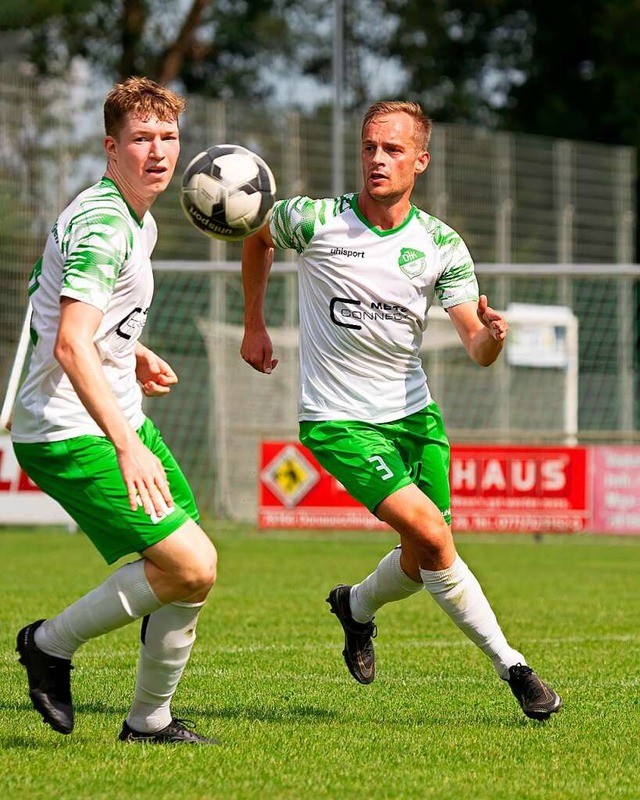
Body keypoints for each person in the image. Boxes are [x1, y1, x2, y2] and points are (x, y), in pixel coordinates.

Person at [240, 100, 562, 721]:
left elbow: (475, 343)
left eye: (392, 150)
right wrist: (254, 322)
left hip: (414, 419)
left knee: (421, 560)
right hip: (338, 420)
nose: (378, 160)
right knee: (435, 537)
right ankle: (515, 668)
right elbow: (257, 234)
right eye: (369, 148)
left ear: (421, 160)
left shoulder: (440, 243)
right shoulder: (313, 218)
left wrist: (493, 337)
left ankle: (355, 607)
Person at [11, 77, 219, 745]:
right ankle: (48, 645)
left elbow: (87, 324)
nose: (157, 152)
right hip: (69, 431)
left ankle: (149, 722)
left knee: (191, 571)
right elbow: (71, 343)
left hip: (116, 413)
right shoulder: (104, 224)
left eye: (167, 137)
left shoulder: (137, 216)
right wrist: (126, 443)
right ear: (111, 147)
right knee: (189, 565)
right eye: (141, 139)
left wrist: (133, 352)